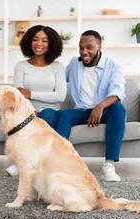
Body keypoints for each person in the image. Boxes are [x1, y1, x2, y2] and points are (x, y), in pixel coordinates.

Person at [54, 30, 126, 182]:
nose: (84, 52)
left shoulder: (113, 66)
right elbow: (59, 82)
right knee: (63, 115)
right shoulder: (74, 63)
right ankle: (58, 164)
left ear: (99, 46)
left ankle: (109, 165)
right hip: (81, 111)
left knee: (118, 109)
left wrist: (100, 106)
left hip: (104, 111)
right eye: (81, 48)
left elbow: (118, 93)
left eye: (89, 47)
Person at [6, 25, 67, 176]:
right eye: (35, 39)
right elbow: (18, 95)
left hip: (50, 110)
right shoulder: (20, 66)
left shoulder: (58, 67)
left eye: (44, 40)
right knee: (26, 121)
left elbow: (60, 96)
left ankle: (24, 164)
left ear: (51, 43)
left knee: (47, 116)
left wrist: (31, 93)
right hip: (26, 109)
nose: (39, 43)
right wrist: (30, 110)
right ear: (29, 41)